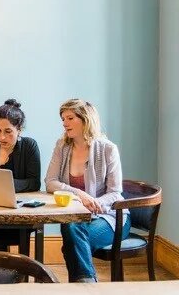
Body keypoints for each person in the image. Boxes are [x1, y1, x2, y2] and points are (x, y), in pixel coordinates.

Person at [45, 99, 129, 283]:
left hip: (111, 217)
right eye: (62, 119)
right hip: (76, 217)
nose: (64, 123)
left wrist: (95, 203)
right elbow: (50, 182)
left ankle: (85, 286)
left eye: (70, 117)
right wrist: (80, 194)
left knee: (72, 243)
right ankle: (87, 287)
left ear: (85, 119)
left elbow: (116, 192)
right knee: (72, 230)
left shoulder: (108, 149)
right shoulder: (62, 146)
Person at [0, 98, 41, 251]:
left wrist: (4, 185)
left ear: (19, 129)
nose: (2, 137)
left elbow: (34, 182)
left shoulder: (29, 146)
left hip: (17, 216)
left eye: (8, 131)